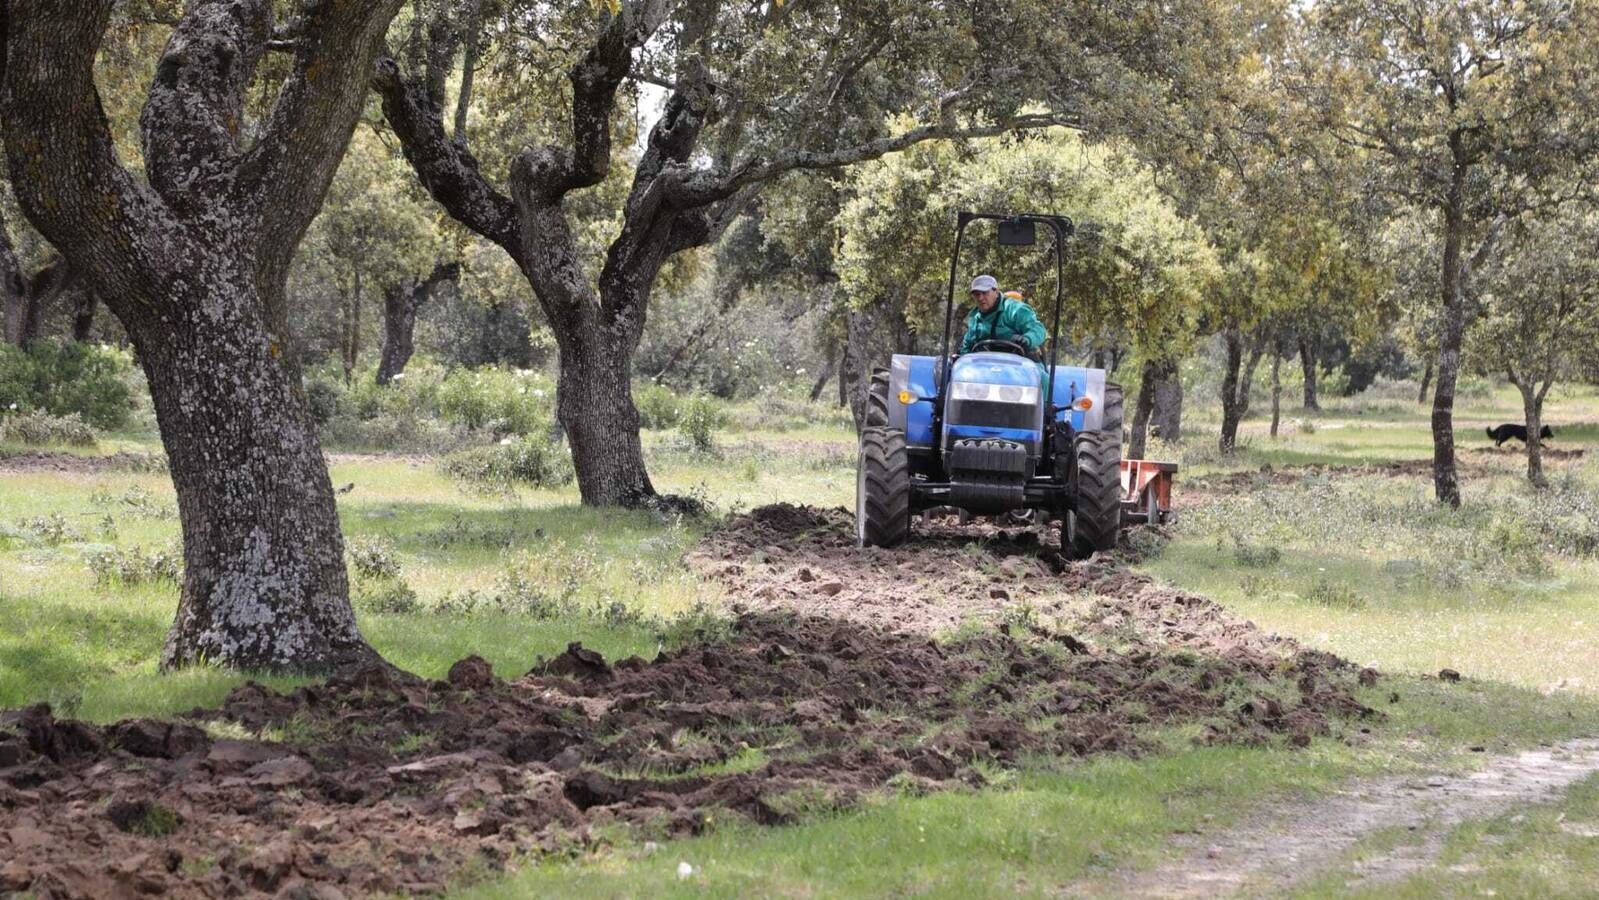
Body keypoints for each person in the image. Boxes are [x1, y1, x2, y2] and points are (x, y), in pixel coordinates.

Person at [959, 275, 1048, 356]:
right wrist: (961, 358)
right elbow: (966, 347)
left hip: (1018, 365)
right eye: (977, 294)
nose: (980, 298)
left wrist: (1027, 339)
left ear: (996, 292)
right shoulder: (974, 318)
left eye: (985, 292)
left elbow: (1038, 329)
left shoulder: (1014, 309)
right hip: (983, 367)